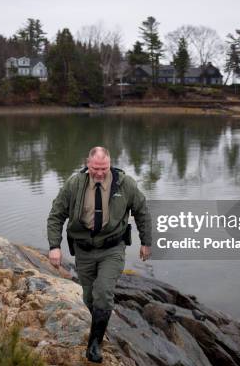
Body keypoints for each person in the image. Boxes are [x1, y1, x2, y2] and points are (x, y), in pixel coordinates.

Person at [46, 146, 151, 363]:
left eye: (104, 168)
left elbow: (142, 211)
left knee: (103, 292)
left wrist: (146, 242)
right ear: (88, 163)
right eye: (95, 168)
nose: (100, 173)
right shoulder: (74, 184)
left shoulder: (125, 184)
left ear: (110, 164)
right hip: (83, 250)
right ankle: (100, 324)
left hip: (112, 249)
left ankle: (94, 344)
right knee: (88, 297)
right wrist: (54, 246)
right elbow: (56, 215)